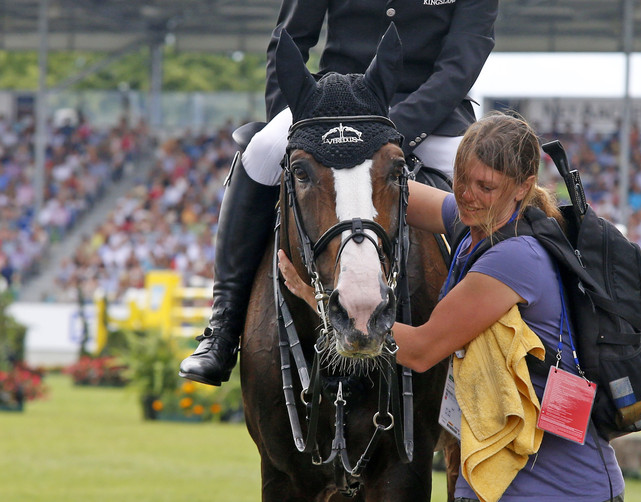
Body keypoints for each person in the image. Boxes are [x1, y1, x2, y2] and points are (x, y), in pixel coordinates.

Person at [279, 112, 625, 501]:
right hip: (495, 479)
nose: (468, 194)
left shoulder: (514, 259)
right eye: (462, 180)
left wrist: (318, 298)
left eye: (486, 186)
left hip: (557, 487)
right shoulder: (472, 223)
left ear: (523, 187)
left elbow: (422, 350)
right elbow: (391, 191)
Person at [179, 0, 498, 386]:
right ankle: (224, 326)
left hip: (431, 113)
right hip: (331, 106)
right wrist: (301, 121)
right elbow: (291, 38)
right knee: (261, 151)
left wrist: (388, 131)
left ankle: (494, 349)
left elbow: (463, 60)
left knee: (488, 191)